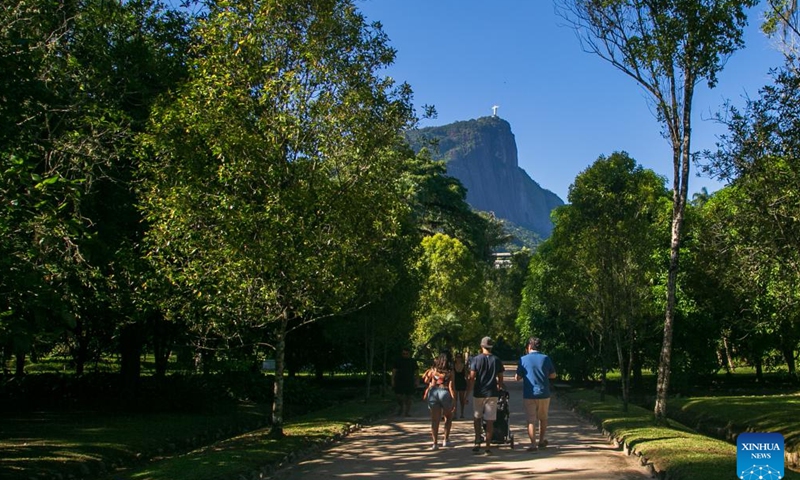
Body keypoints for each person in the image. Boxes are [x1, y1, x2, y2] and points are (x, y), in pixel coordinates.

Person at [515, 336, 557, 451]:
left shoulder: (523, 359)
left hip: (529, 394)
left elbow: (518, 377)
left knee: (531, 420)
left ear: (529, 346)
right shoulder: (546, 358)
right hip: (544, 393)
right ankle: (541, 440)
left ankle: (533, 444)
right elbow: (553, 375)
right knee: (543, 418)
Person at [468, 336, 505, 455]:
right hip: (492, 392)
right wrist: (499, 387)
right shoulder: (496, 360)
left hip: (479, 392)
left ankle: (477, 441)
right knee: (490, 420)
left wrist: (468, 391)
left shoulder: (476, 359)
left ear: (481, 346)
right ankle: (488, 446)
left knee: (477, 417)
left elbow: (472, 377)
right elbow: (500, 377)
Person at [422, 352, 456, 450]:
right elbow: (451, 386)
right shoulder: (450, 372)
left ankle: (435, 443)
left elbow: (426, 381)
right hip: (444, 392)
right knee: (448, 417)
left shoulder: (433, 370)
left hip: (433, 392)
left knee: (435, 420)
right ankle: (446, 439)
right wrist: (453, 399)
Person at [392, 347, 418, 416]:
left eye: (406, 354)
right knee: (398, 396)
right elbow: (394, 371)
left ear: (409, 354)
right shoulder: (398, 360)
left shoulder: (412, 361)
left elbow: (416, 372)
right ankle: (401, 406)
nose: (405, 355)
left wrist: (416, 380)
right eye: (403, 354)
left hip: (409, 381)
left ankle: (407, 412)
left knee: (409, 397)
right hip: (399, 381)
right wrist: (393, 380)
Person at [453, 353, 468, 418]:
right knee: (454, 399)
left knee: (461, 399)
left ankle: (462, 413)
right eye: (457, 357)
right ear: (455, 358)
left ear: (461, 358)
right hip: (455, 383)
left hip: (462, 383)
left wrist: (468, 384)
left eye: (459, 357)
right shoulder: (453, 366)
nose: (458, 358)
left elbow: (466, 376)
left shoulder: (464, 366)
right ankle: (455, 413)